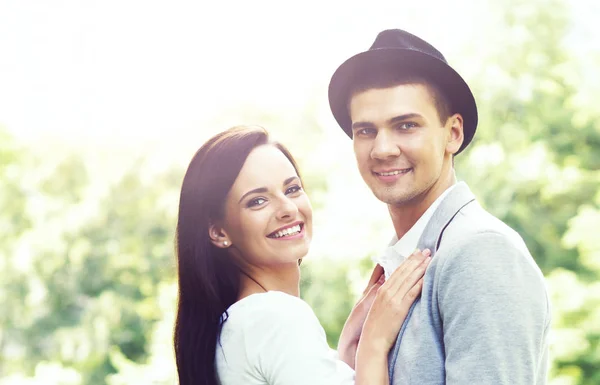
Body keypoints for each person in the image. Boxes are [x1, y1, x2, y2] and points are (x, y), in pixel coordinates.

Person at [328, 29, 551, 384]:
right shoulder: (402, 260)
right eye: (366, 131)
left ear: (453, 134)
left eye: (406, 125)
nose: (383, 148)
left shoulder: (479, 252)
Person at [173, 125, 432, 385]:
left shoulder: (240, 323)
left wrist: (349, 350)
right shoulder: (274, 317)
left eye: (292, 189)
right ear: (218, 232)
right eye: (257, 201)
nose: (287, 208)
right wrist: (374, 344)